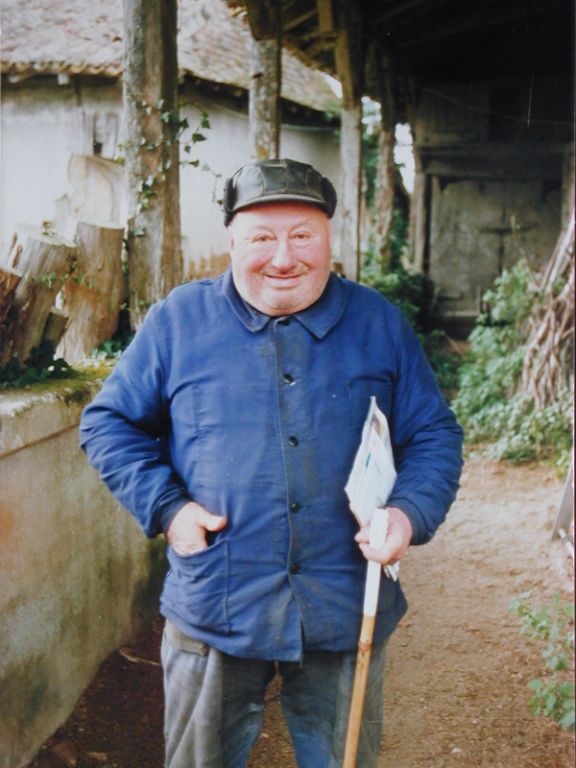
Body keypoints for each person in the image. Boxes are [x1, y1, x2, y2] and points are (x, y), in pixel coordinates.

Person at [80, 157, 463, 768]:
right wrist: (168, 509)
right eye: (262, 237)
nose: (283, 257)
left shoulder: (378, 324)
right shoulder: (179, 321)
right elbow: (109, 422)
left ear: (329, 238)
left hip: (343, 598)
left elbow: (433, 434)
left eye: (302, 235)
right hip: (217, 598)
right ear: (232, 240)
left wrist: (408, 514)